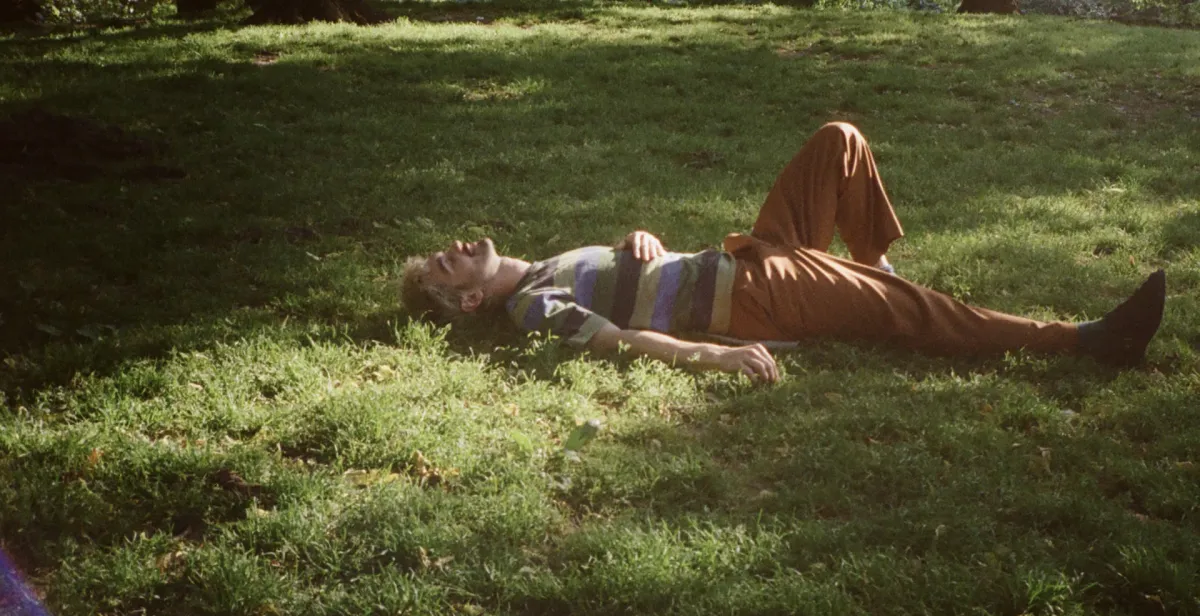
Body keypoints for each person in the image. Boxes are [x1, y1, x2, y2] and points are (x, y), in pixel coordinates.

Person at [400, 123, 1165, 383]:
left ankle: (873, 276)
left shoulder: (542, 268)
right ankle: (1088, 341)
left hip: (749, 251)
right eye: (446, 264)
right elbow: (620, 340)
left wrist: (636, 242)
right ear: (469, 299)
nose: (454, 249)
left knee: (840, 141)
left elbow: (628, 276)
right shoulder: (533, 307)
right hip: (756, 295)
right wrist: (716, 357)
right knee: (925, 314)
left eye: (443, 251)